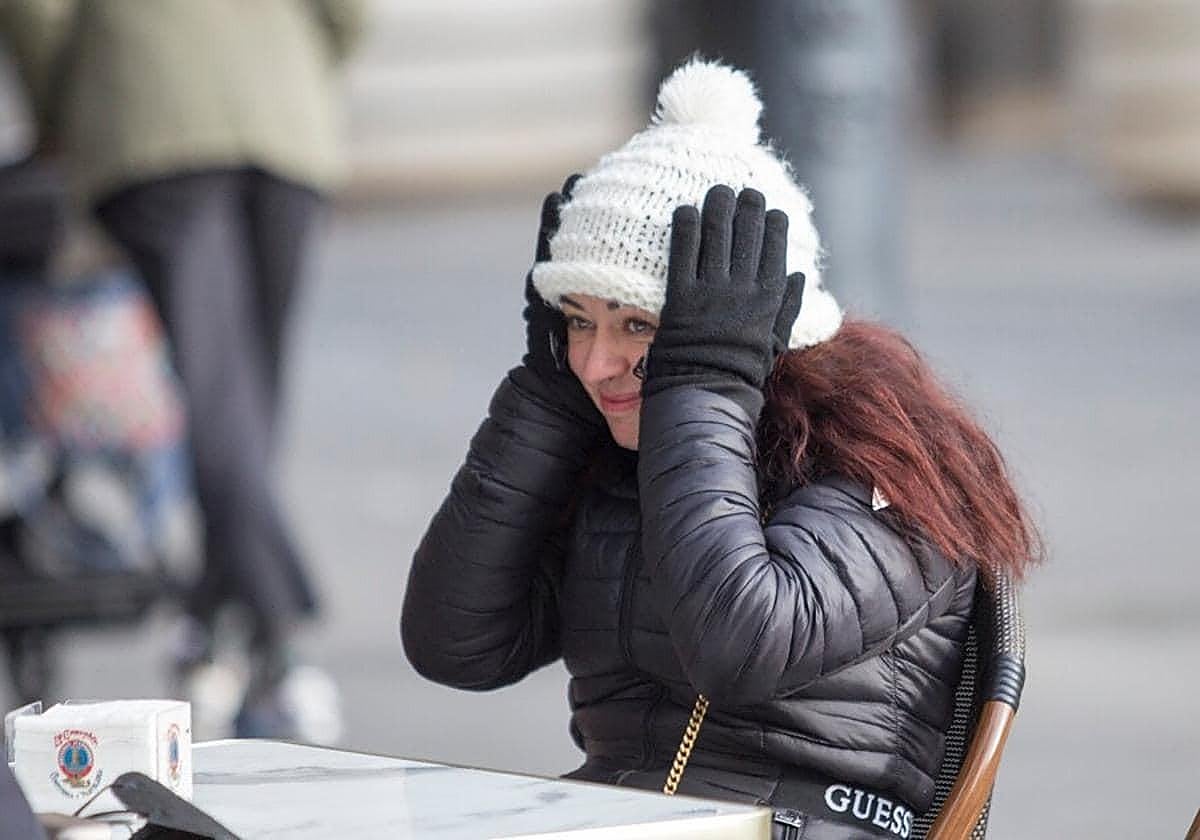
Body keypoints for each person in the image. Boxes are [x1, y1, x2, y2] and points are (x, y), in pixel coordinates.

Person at [401, 60, 1039, 840]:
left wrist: (699, 387)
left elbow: (740, 644)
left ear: (745, 331)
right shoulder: (612, 443)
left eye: (637, 324)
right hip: (618, 819)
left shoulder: (884, 459)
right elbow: (455, 642)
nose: (597, 361)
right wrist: (545, 396)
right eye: (577, 319)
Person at [0, 0, 366, 741]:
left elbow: (39, 13)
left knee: (223, 399)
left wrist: (60, 112)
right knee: (246, 399)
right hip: (283, 114)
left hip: (149, 112)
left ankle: (273, 629)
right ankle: (220, 629)